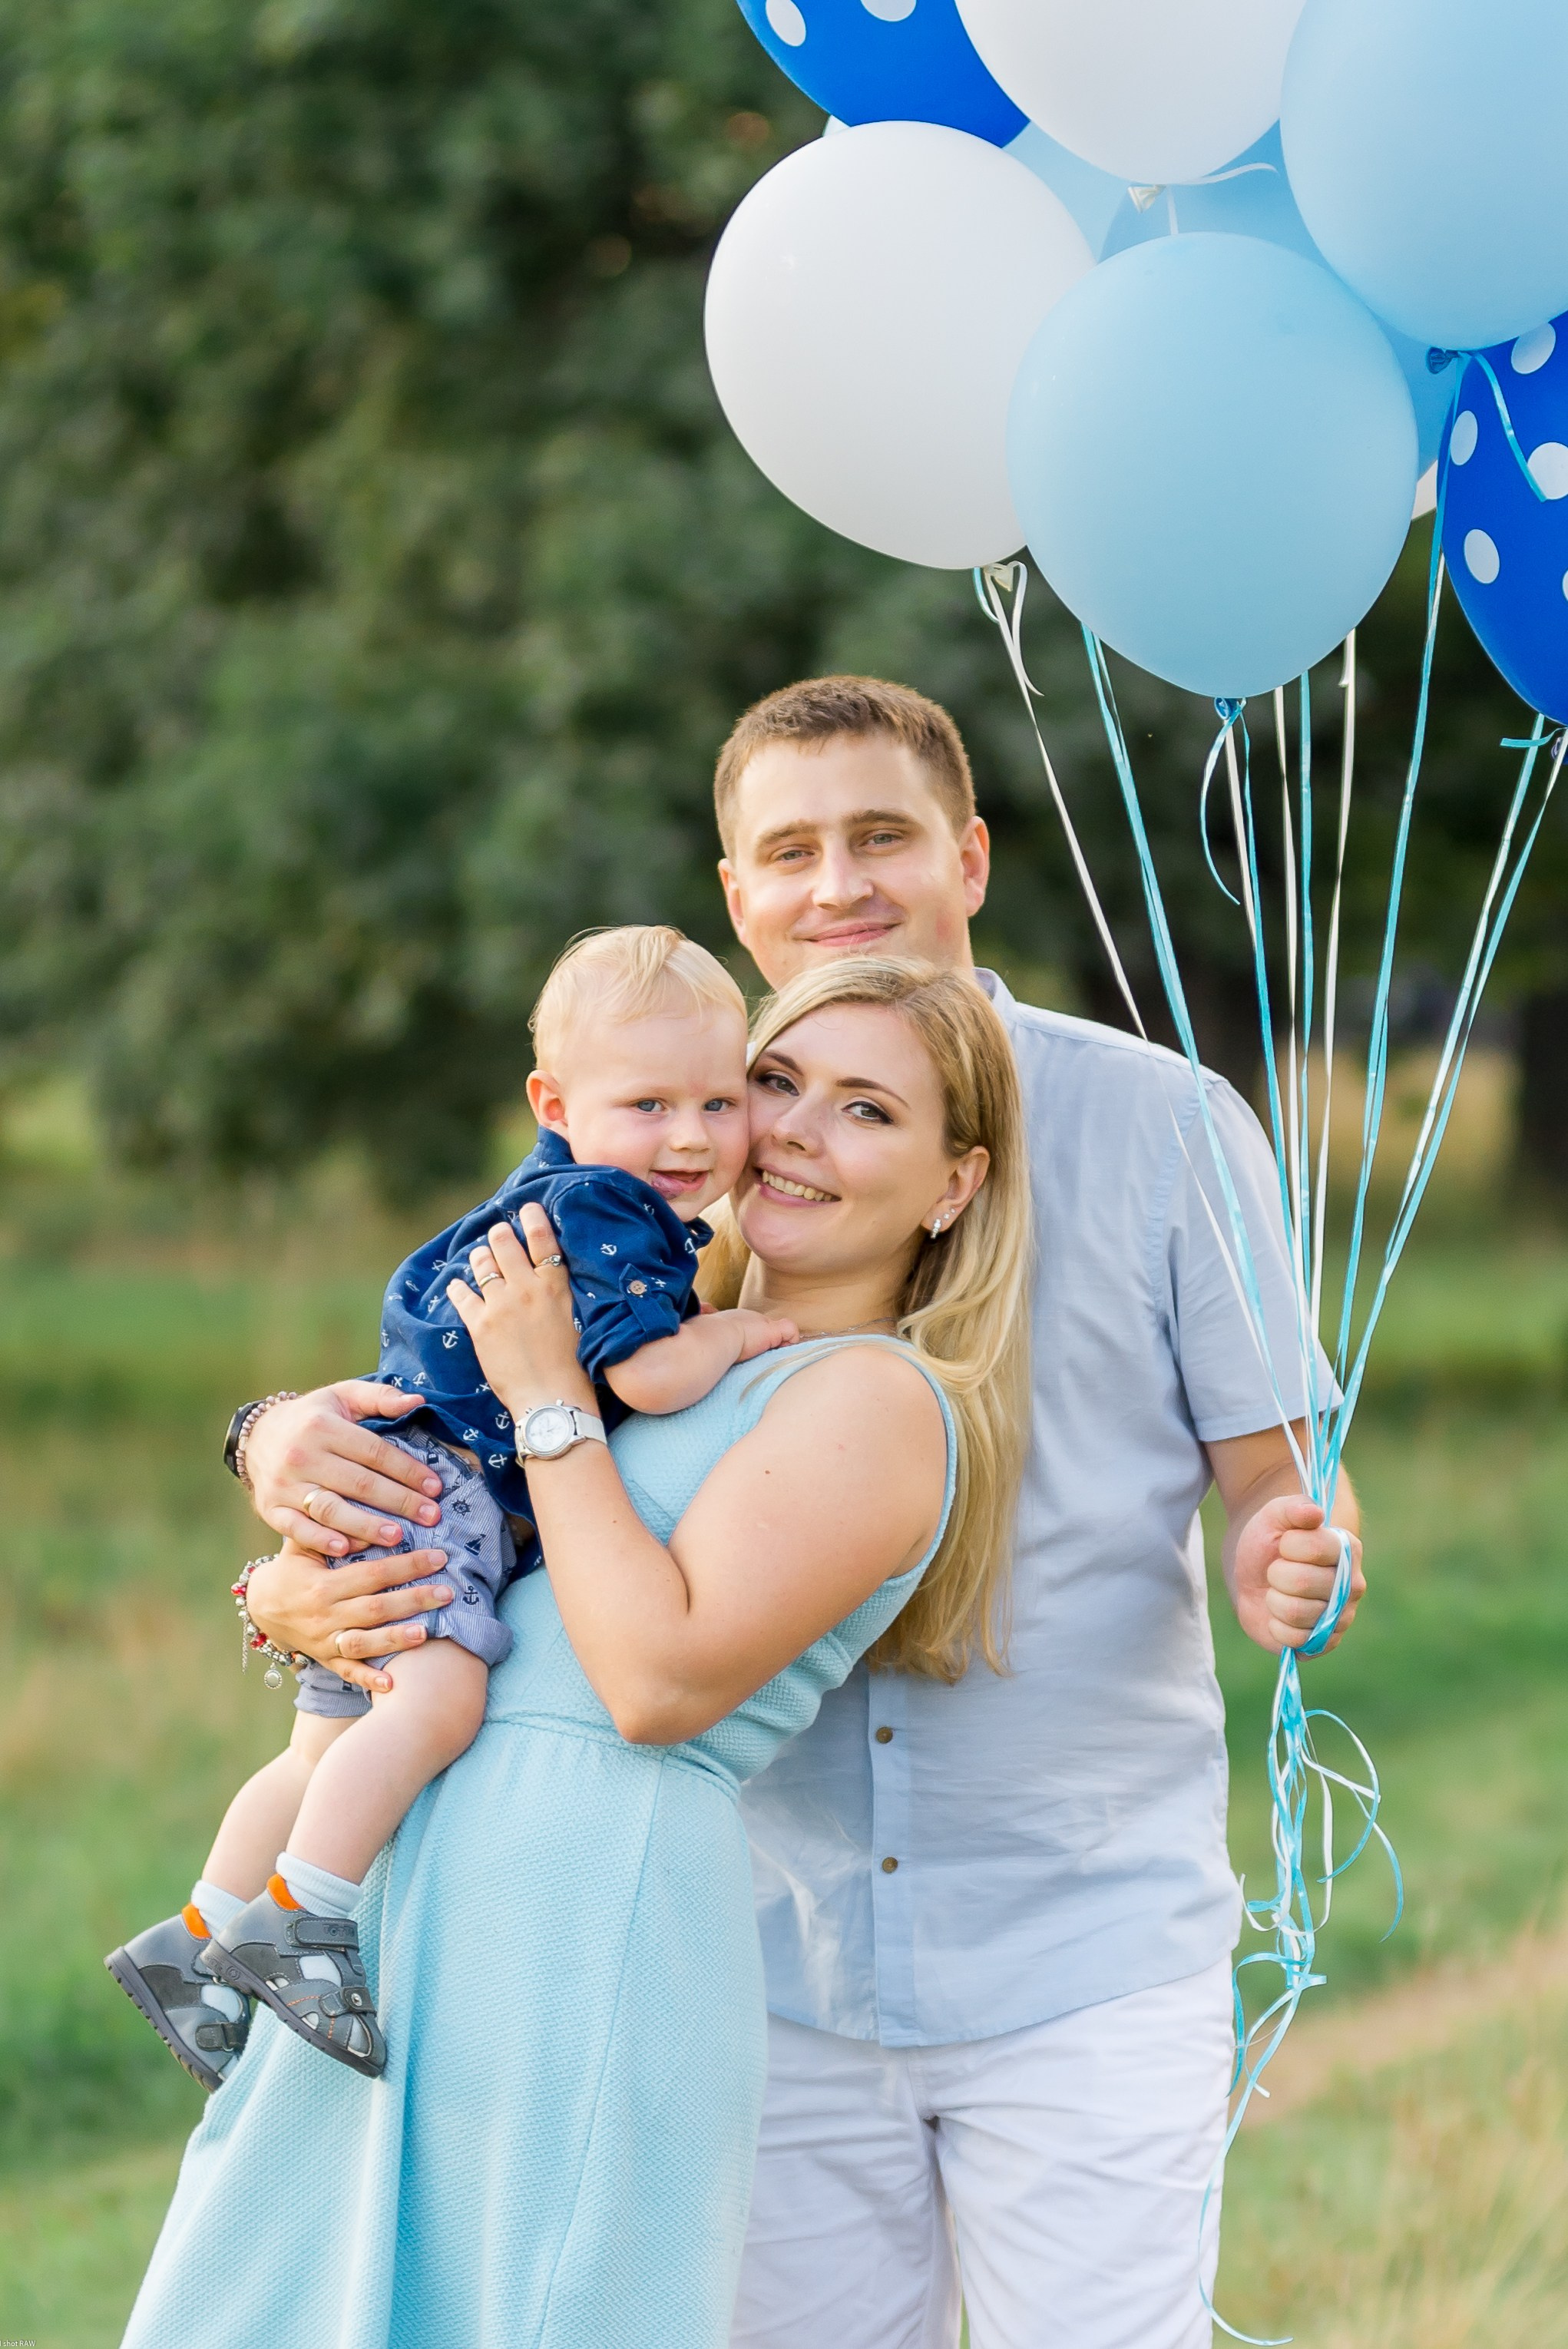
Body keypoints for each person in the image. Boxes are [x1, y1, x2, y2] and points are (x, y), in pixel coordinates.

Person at [240, 677, 1365, 2349]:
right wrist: (270, 1466)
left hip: (1074, 1931)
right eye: (790, 850)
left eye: (882, 836)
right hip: (757, 1952)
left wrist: (1298, 1559)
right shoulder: (666, 1154)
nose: (838, 882)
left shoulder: (1165, 1125)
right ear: (737, 896)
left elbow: (1286, 1487)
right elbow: (469, 1436)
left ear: (970, 857)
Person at [120, 957, 1033, 2349]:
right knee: (273, 2295)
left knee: (521, 2303)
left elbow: (654, 1680)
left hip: (578, 1905)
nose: (784, 1131)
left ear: (954, 1184)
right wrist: (277, 1509)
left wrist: (549, 1396)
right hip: (378, 1893)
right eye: (776, 1086)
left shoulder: (878, 1401)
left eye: (865, 1112)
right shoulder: (635, 1320)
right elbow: (447, 1504)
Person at [107, 926, 797, 2089]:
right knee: (438, 1707)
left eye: (720, 1104)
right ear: (554, 1099)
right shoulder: (609, 1212)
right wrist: (740, 1330)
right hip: (446, 1499)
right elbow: (645, 1377)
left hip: (395, 1473)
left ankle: (195, 1944)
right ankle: (298, 1926)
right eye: (650, 1105)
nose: (689, 1137)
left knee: (319, 1748)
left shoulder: (550, 1189)